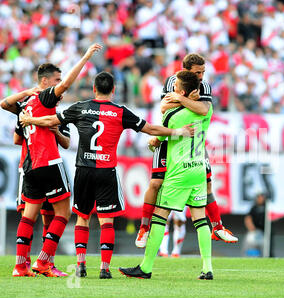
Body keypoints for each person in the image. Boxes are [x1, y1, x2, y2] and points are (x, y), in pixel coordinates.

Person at [20, 71, 194, 279]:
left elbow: (50, 121)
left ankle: (81, 264)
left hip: (83, 170)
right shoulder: (120, 111)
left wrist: (30, 119)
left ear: (94, 88)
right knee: (107, 221)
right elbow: (150, 129)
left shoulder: (80, 107)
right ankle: (104, 268)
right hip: (106, 171)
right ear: (113, 90)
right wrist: (178, 131)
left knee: (83, 218)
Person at [3, 43, 102, 277]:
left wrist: (47, 126)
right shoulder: (46, 99)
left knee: (29, 215)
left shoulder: (26, 107)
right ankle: (44, 262)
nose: (61, 86)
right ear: (46, 82)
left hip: (30, 166)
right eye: (56, 80)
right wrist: (86, 55)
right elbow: (67, 83)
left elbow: (14, 126)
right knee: (63, 214)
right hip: (48, 162)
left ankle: (20, 266)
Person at [135, 53, 237, 249]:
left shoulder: (204, 86)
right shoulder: (172, 81)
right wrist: (187, 100)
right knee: (156, 183)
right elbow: (164, 107)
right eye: (198, 72)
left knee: (207, 184)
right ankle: (144, 228)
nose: (201, 76)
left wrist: (180, 99)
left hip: (194, 143)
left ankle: (218, 226)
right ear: (186, 72)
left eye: (203, 72)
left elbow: (204, 109)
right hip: (171, 136)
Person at [119, 70, 214, 280]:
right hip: (199, 169)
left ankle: (145, 267)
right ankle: (207, 268)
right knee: (200, 218)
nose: (171, 91)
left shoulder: (172, 115)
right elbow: (202, 108)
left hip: (178, 172)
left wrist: (153, 142)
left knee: (159, 216)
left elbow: (157, 139)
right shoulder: (206, 111)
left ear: (180, 91)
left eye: (174, 88)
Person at [14, 118, 71, 277]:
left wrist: (56, 132)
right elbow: (16, 139)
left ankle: (47, 263)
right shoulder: (27, 111)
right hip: (33, 166)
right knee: (26, 213)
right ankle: (25, 262)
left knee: (49, 216)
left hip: (43, 167)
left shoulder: (58, 117)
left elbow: (66, 143)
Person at [244, 193, 267, 257]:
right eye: (259, 197)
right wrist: (251, 227)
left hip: (263, 232)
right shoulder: (254, 207)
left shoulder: (267, 207)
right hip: (254, 231)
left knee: (263, 247)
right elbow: (248, 217)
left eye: (262, 197)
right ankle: (250, 257)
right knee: (251, 245)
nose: (260, 199)